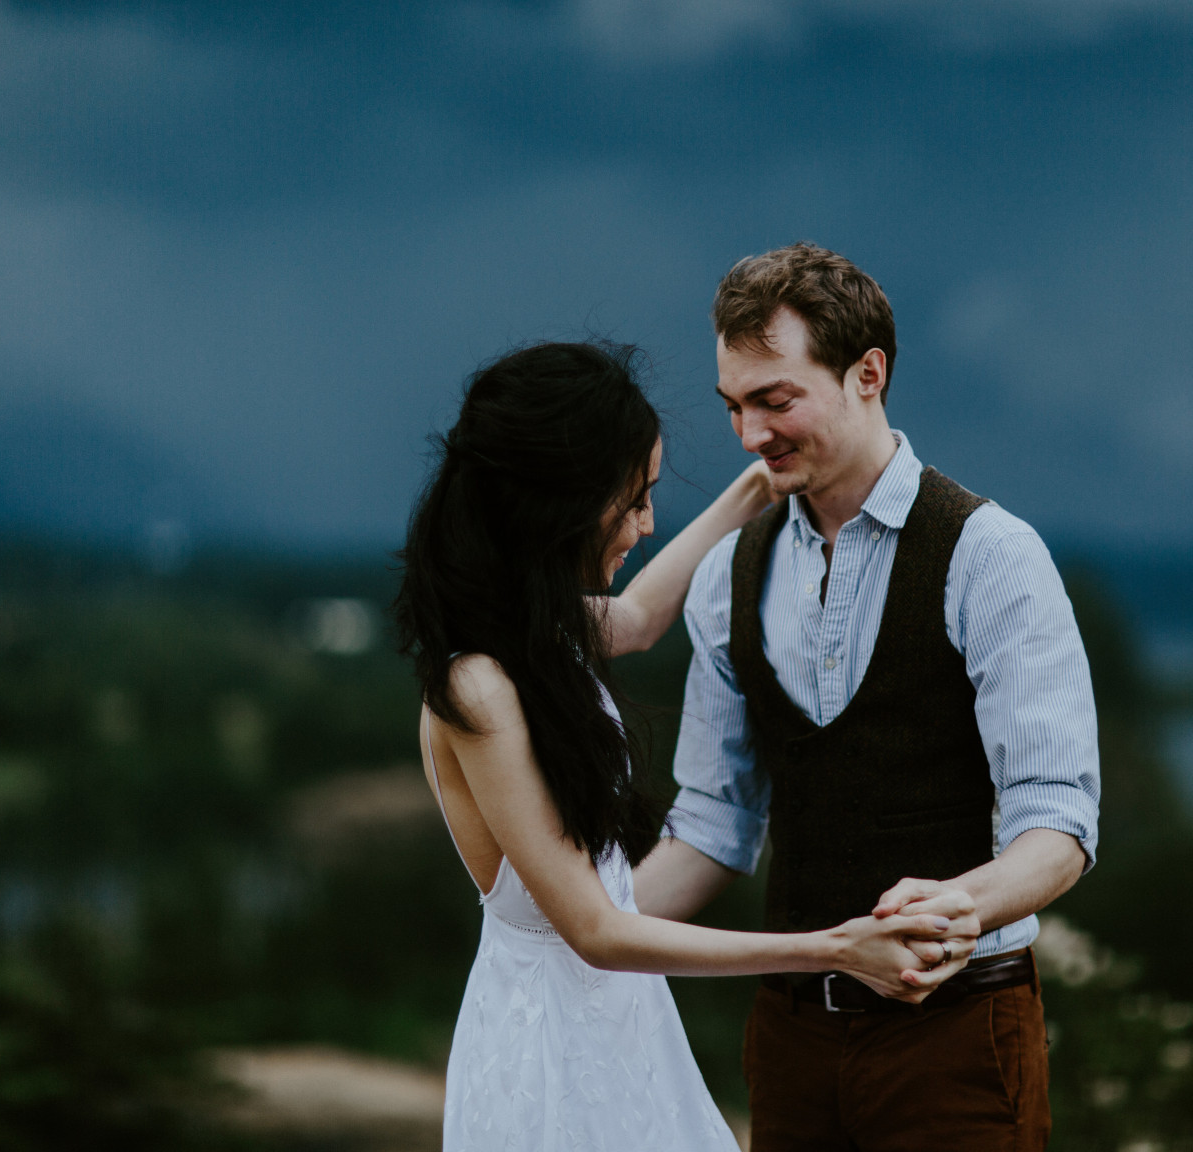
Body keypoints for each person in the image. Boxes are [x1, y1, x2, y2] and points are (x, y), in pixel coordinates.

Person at [392, 341, 977, 1152]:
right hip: (550, 1041)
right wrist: (835, 950)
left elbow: (634, 621)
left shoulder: (530, 628)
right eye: (631, 500)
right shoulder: (478, 687)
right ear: (555, 502)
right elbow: (597, 931)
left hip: (615, 1022)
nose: (645, 522)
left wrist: (762, 482)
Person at [632, 244, 1102, 1151]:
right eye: (735, 406)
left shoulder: (992, 556)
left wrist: (963, 903)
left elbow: (1058, 825)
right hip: (792, 1040)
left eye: (775, 400)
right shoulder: (729, 574)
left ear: (867, 375)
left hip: (958, 1035)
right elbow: (713, 828)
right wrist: (582, 928)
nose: (749, 435)